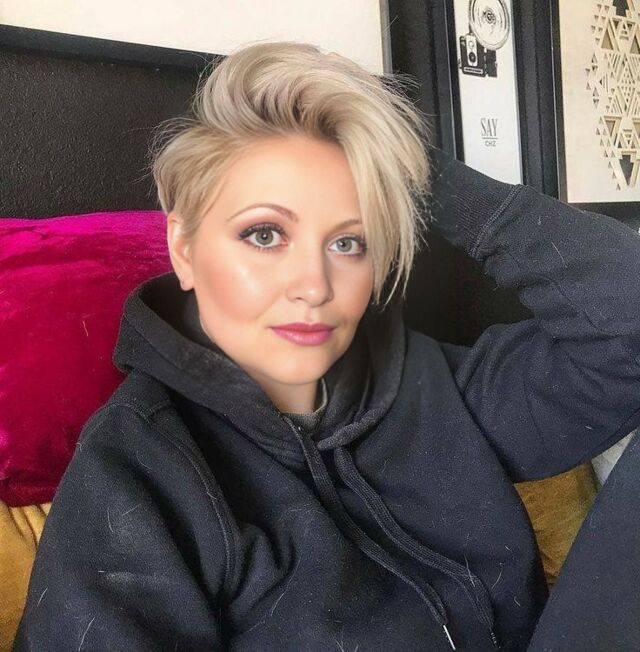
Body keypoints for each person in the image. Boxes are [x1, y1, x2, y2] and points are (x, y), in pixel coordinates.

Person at [13, 41, 640, 651]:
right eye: (264, 235)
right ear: (184, 249)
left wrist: (408, 165)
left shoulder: (437, 384)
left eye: (349, 243)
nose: (314, 286)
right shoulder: (138, 471)